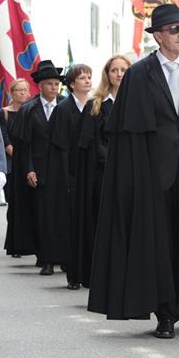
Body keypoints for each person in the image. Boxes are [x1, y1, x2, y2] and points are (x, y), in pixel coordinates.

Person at [88, 4, 179, 339]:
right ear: (157, 35)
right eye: (174, 29)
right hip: (155, 174)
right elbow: (128, 133)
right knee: (161, 243)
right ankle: (165, 311)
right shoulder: (140, 73)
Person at [73, 55, 131, 289]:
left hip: (131, 176)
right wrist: (113, 162)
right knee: (100, 225)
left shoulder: (137, 101)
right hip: (102, 176)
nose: (119, 74)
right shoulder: (95, 104)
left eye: (123, 70)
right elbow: (92, 142)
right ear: (107, 74)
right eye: (114, 70)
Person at [10, 60, 66, 275]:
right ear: (40, 86)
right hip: (39, 170)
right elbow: (25, 145)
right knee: (42, 215)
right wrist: (29, 169)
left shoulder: (64, 106)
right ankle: (46, 258)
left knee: (60, 214)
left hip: (61, 170)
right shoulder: (29, 110)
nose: (54, 88)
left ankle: (62, 256)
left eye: (56, 84)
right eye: (50, 84)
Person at [49, 64, 92, 288]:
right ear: (72, 83)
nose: (87, 80)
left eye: (89, 77)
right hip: (72, 174)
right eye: (82, 77)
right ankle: (74, 274)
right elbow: (60, 146)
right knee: (74, 225)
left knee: (91, 225)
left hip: (92, 174)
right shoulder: (64, 109)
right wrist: (64, 178)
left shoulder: (96, 106)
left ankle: (90, 273)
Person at [0, 79, 30, 258]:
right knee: (14, 203)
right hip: (12, 164)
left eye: (25, 90)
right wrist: (18, 157)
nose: (23, 93)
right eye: (19, 90)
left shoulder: (30, 111)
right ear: (12, 93)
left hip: (28, 163)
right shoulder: (3, 113)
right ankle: (14, 241)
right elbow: (5, 140)